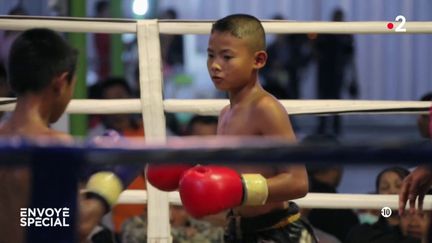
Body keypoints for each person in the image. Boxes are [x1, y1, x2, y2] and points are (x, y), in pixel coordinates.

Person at [148, 14, 311, 242]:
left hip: (277, 232)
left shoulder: (266, 108)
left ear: (259, 60)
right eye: (211, 55)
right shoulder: (226, 113)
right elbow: (230, 174)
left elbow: (298, 182)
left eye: (227, 57)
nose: (215, 65)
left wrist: (241, 189)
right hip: (239, 229)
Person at [0, 28, 121, 243]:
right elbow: (75, 225)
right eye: (72, 87)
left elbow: (23, 218)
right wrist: (110, 184)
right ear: (61, 82)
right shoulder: (53, 144)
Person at [347, 167, 426, 243]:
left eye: (399, 186)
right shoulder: (361, 234)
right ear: (377, 195)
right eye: (385, 188)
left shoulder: (421, 231)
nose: (392, 191)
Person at [314, 8, 357, 135]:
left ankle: (331, 127)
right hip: (329, 72)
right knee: (327, 100)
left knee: (333, 100)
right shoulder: (338, 34)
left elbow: (350, 55)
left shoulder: (338, 34)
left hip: (334, 72)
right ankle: (327, 127)